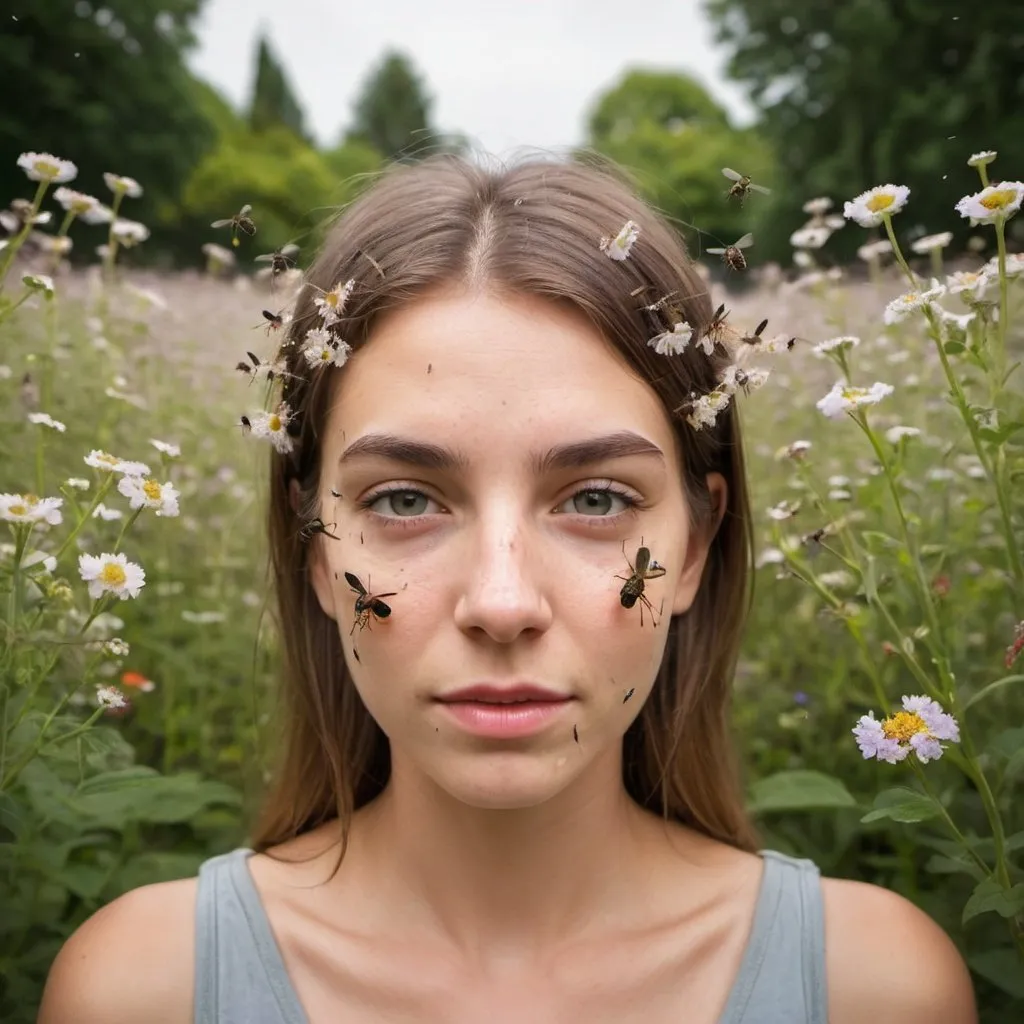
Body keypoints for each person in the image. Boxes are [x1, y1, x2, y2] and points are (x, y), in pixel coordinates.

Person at [38, 155, 977, 1024]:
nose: (500, 601)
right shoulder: (141, 988)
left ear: (695, 545)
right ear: (316, 552)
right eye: (404, 498)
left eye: (597, 498)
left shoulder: (877, 987)